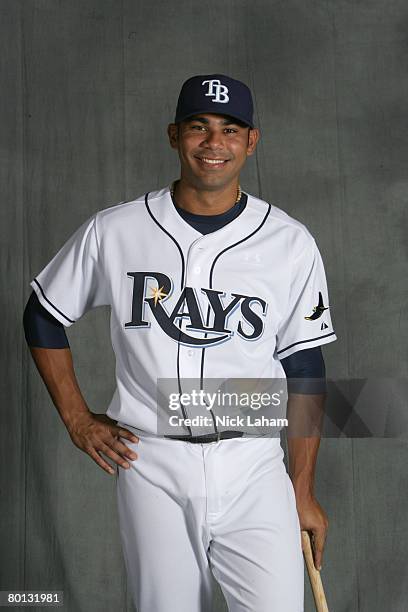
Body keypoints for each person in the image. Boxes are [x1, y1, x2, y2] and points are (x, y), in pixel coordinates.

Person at [24, 73, 337, 612]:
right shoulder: (116, 231)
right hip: (152, 463)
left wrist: (301, 491)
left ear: (251, 141)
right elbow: (43, 315)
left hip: (254, 462)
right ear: (174, 136)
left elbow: (305, 365)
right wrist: (77, 418)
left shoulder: (289, 241)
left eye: (230, 129)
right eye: (199, 127)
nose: (214, 143)